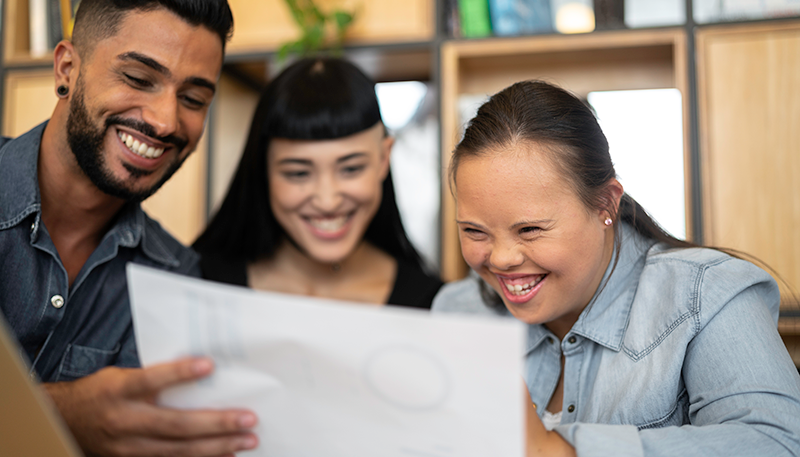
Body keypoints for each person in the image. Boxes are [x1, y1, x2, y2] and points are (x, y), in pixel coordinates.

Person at [432, 80, 800, 456]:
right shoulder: (456, 312)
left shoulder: (706, 295)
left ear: (605, 204)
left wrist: (560, 450)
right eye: (474, 231)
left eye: (529, 229)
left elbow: (778, 442)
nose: (501, 258)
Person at [0, 0, 260, 456]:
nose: (165, 120)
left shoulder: (176, 278)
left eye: (193, 98)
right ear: (67, 69)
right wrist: (63, 413)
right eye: (139, 78)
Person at [193, 57, 442, 307]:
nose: (327, 201)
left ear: (383, 159)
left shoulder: (433, 306)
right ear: (262, 168)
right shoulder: (197, 284)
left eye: (351, 168)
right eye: (298, 174)